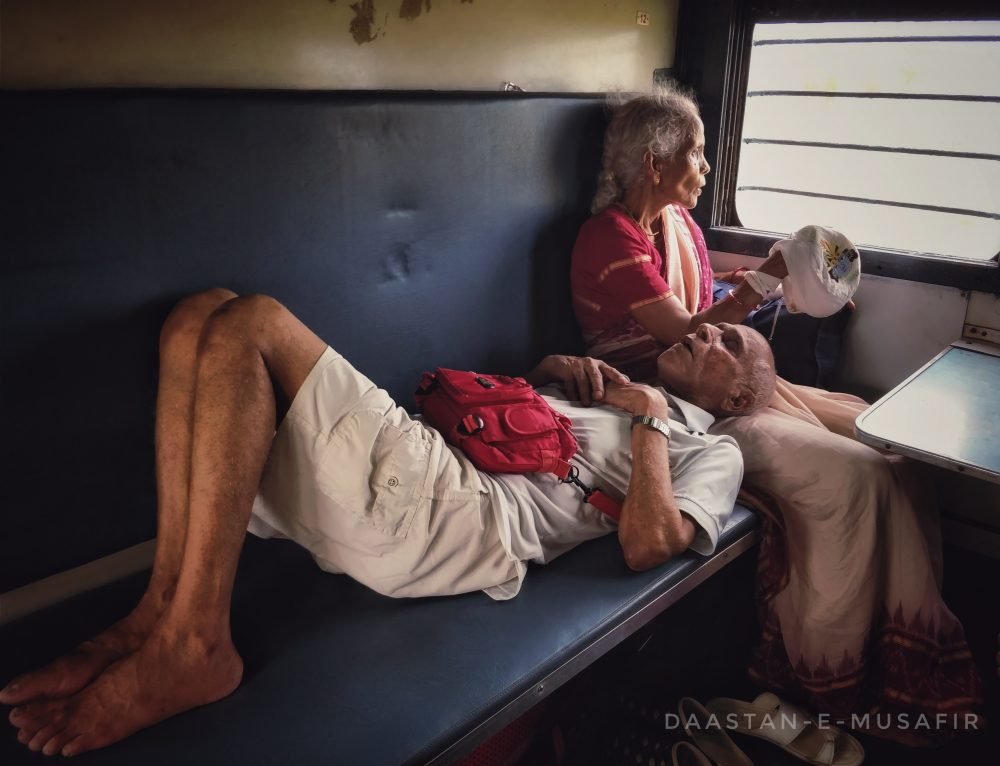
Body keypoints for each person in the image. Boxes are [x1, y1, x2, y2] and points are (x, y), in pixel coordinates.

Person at [2, 288, 775, 756]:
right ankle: (155, 615)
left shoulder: (710, 450)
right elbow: (530, 440)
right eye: (712, 326)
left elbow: (651, 543)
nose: (708, 330)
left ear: (739, 398)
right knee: (197, 317)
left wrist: (646, 422)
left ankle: (197, 642)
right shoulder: (622, 390)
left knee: (253, 322)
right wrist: (553, 378)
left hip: (461, 519)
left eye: (728, 342)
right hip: (427, 476)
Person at [570, 87, 983, 743]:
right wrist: (765, 277)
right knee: (858, 477)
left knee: (884, 440)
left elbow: (713, 315)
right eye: (698, 155)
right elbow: (686, 334)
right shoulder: (607, 240)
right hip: (677, 404)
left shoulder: (677, 229)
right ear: (654, 163)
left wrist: (779, 292)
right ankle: (823, 672)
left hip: (716, 385)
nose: (706, 169)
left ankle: (905, 648)